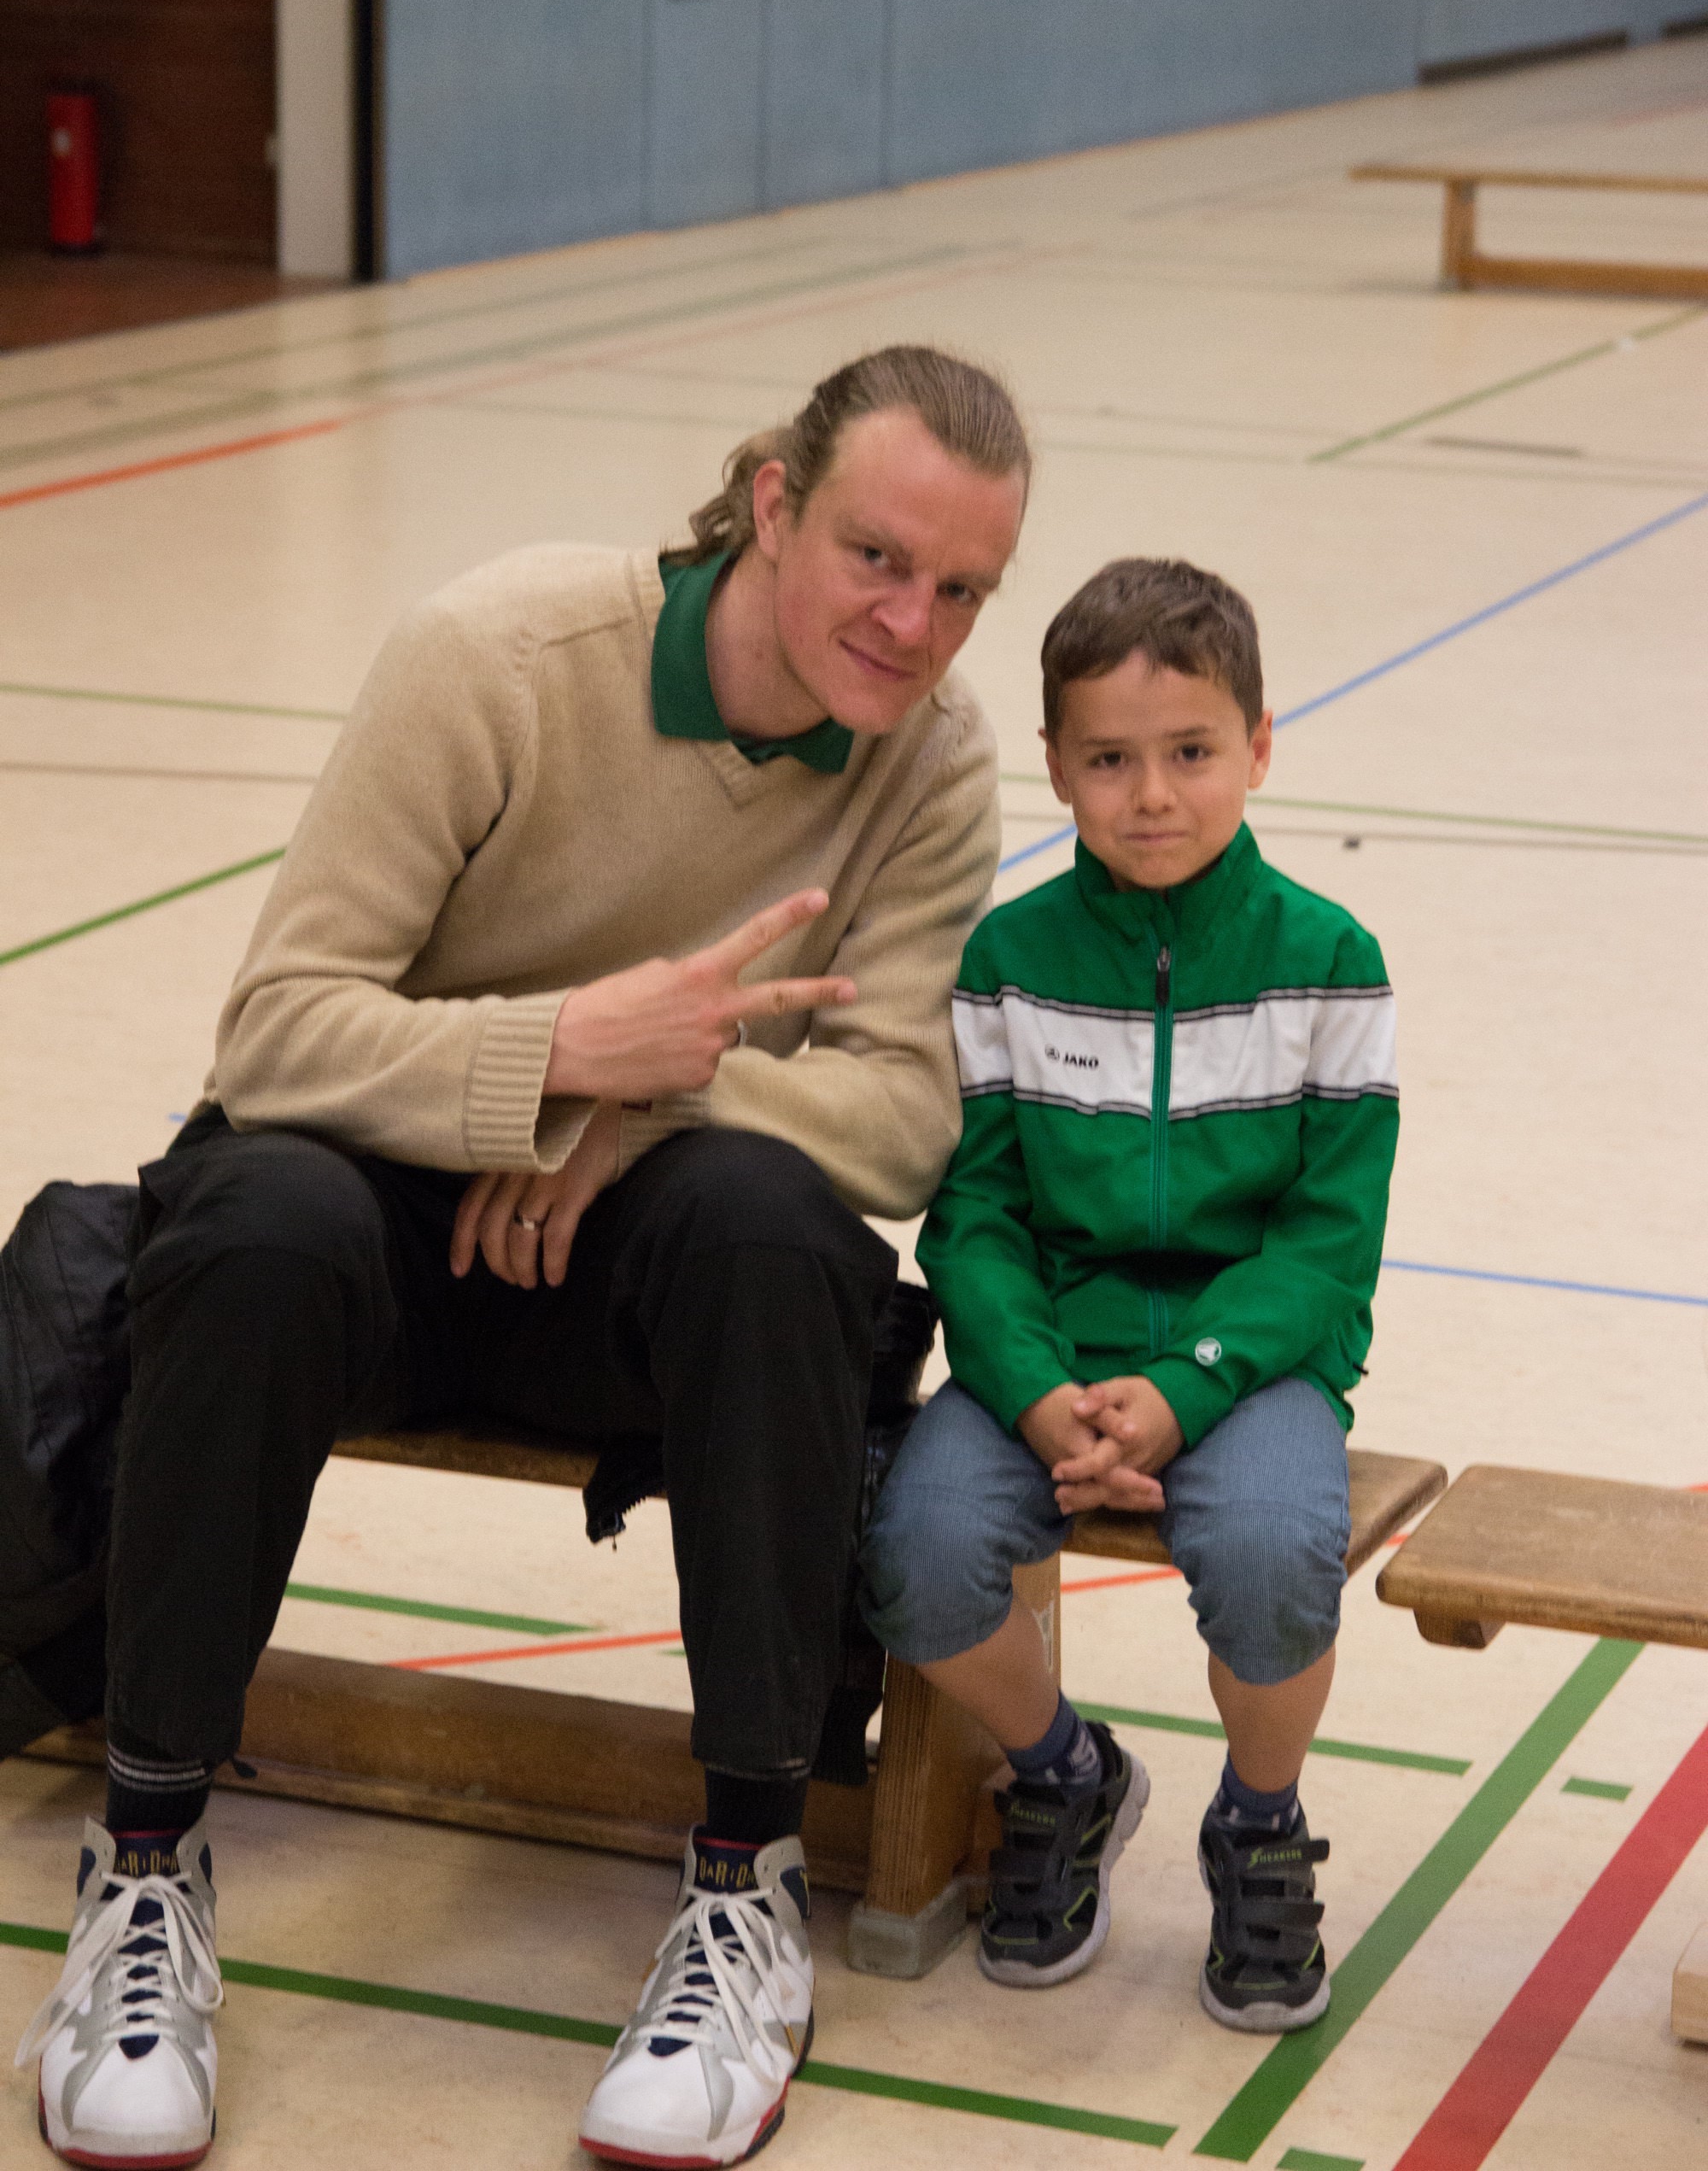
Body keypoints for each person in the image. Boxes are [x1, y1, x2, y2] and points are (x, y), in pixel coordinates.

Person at [15, 346, 1032, 2171]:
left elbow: (898, 1122)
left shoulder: (935, 763)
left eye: (963, 588)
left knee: (777, 1233)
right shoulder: (498, 656)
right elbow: (274, 1033)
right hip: (377, 1220)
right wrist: (556, 1050)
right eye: (878, 558)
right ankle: (144, 1861)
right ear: (774, 505)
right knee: (254, 1220)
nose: (914, 624)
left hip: (623, 1247)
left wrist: (642, 1100)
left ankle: (744, 1887)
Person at [862, 556, 1398, 2030]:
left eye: (1191, 752)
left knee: (1278, 1551)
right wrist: (1035, 1391)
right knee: (915, 1550)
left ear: (1260, 747)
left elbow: (1327, 1245)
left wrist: (1187, 1387)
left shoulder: (1332, 964)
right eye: (1108, 760)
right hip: (1044, 1355)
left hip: (1254, 1367)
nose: (1152, 795)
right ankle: (1066, 1772)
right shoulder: (1008, 960)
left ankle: (1260, 1822)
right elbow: (975, 1215)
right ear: (1054, 765)